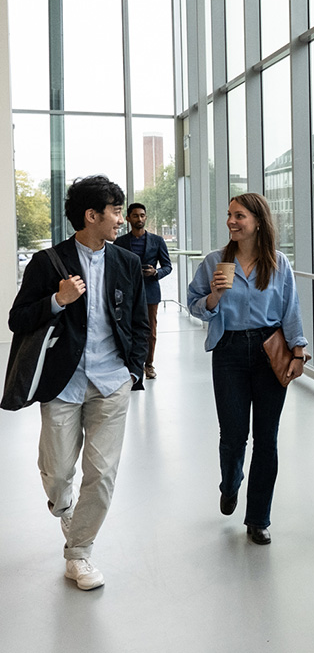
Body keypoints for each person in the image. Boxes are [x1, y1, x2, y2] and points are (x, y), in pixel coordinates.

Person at [8, 175, 149, 590]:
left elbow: (139, 321)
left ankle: (79, 553)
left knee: (102, 474)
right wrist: (57, 300)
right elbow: (17, 320)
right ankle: (63, 501)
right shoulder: (47, 262)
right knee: (57, 473)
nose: (121, 219)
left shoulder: (124, 263)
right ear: (92, 216)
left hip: (112, 382)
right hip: (62, 383)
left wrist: (133, 369)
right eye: (115, 211)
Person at [187, 193, 308, 545]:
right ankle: (230, 483)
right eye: (229, 215)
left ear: (257, 220)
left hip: (270, 350)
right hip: (228, 352)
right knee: (233, 434)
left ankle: (258, 518)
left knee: (267, 438)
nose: (231, 221)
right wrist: (213, 298)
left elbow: (291, 310)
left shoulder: (278, 263)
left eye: (239, 215)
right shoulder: (214, 262)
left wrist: (298, 353)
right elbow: (194, 303)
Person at [114, 202, 172, 379]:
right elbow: (115, 267)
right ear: (128, 218)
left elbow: (168, 266)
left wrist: (155, 272)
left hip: (150, 291)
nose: (139, 219)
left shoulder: (157, 241)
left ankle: (149, 364)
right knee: (127, 328)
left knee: (150, 331)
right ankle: (131, 365)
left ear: (145, 217)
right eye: (136, 215)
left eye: (142, 215)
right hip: (127, 293)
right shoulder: (120, 242)